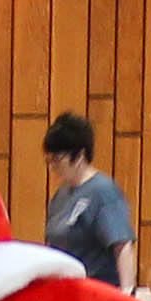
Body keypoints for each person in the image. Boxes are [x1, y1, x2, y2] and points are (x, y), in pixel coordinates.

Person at [41, 110, 138, 289]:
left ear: (79, 156)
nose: (52, 167)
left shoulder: (103, 192)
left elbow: (122, 247)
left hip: (98, 293)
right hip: (68, 293)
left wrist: (126, 294)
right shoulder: (60, 196)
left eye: (57, 159)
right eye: (49, 160)